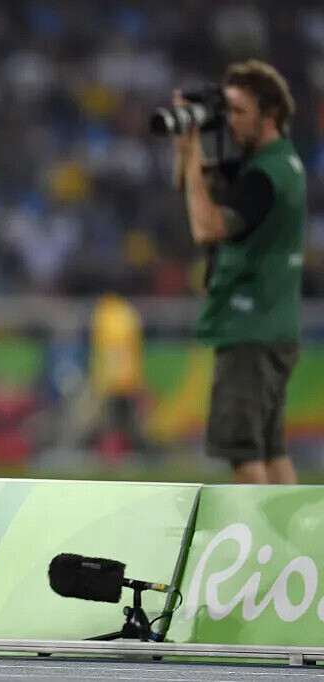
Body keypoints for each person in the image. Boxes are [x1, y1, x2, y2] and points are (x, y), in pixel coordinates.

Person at [174, 60, 304, 484]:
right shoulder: (283, 163)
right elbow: (191, 188)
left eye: (238, 111)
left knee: (244, 454)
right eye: (225, 109)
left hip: (250, 330)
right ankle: (300, 531)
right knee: (271, 450)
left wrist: (192, 154)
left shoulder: (263, 177)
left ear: (270, 115)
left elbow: (206, 227)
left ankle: (255, 530)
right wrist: (189, 149)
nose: (229, 121)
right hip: (274, 325)